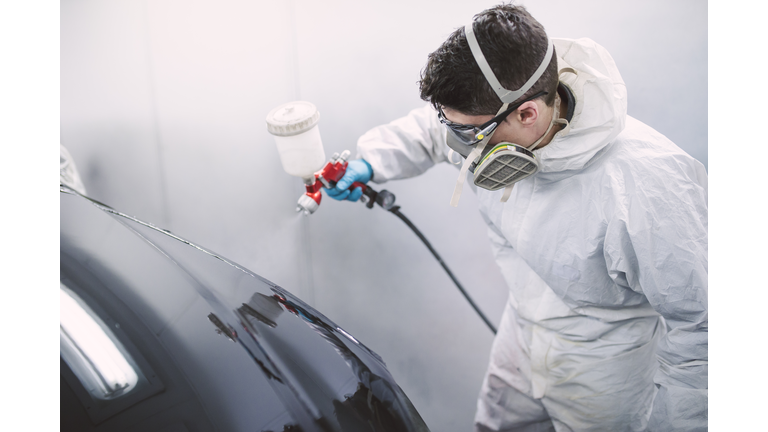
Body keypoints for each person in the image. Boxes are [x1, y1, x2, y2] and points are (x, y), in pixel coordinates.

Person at [326, 4, 707, 432]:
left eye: (468, 135)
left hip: (602, 377)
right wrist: (369, 162)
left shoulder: (646, 184)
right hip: (520, 341)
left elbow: (705, 335)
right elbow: (437, 132)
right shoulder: (490, 118)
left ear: (527, 113)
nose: (458, 145)